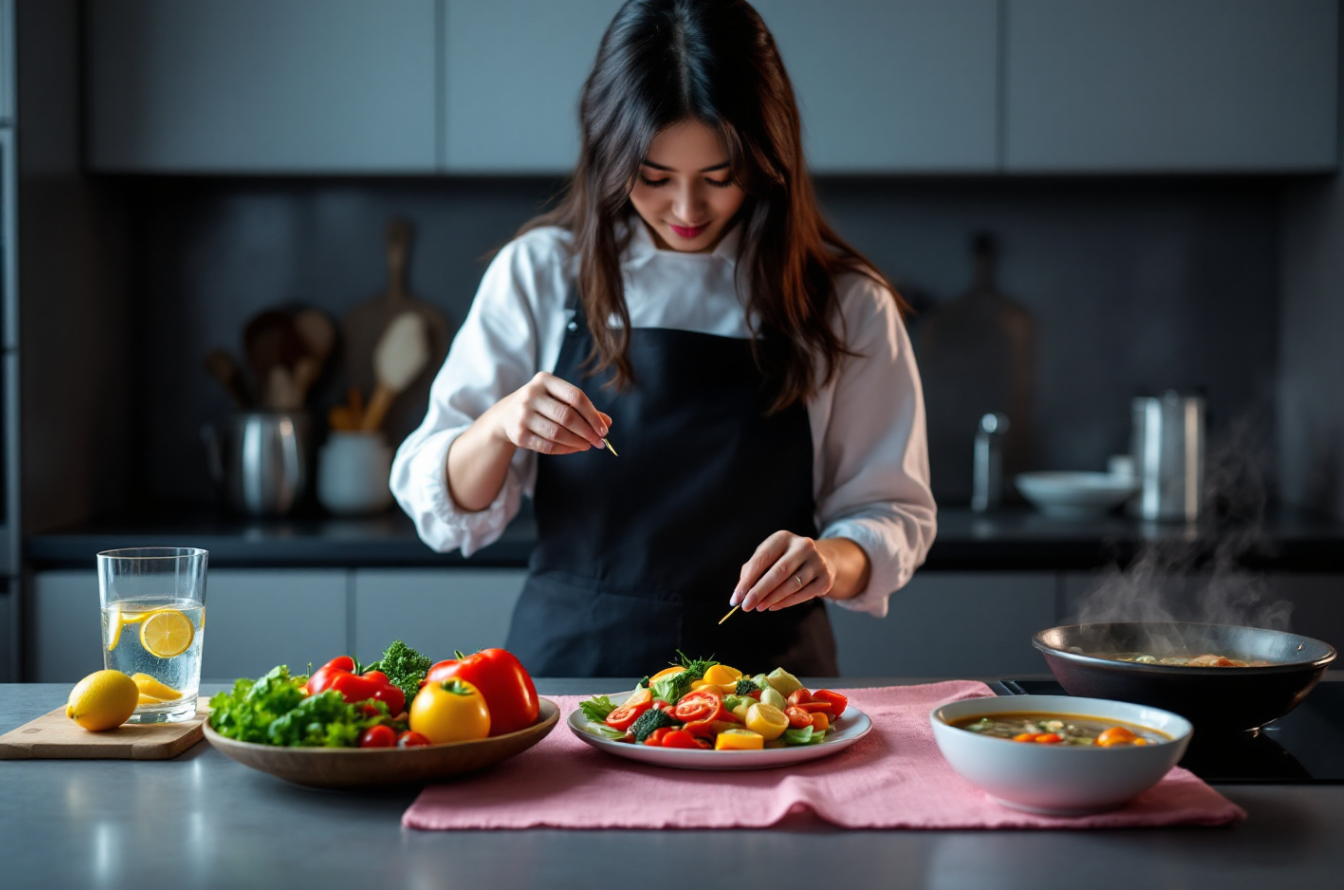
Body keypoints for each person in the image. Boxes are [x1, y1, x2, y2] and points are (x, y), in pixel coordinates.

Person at [391, 0, 935, 677]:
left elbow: (891, 513)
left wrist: (830, 561)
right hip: (570, 685)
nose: (687, 210)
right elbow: (438, 503)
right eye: (653, 178)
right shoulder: (540, 273)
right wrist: (498, 428)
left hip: (770, 697)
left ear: (771, 159)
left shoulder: (848, 303)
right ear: (608, 152)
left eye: (719, 177)